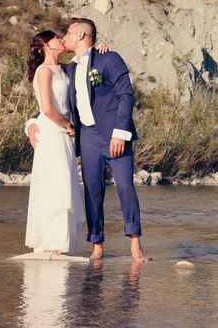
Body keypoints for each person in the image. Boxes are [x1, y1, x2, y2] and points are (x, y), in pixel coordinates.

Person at [27, 18, 149, 263]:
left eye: (69, 33)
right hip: (87, 138)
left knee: (125, 186)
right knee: (93, 191)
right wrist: (30, 123)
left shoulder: (109, 58)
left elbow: (126, 95)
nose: (64, 38)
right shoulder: (68, 70)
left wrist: (119, 132)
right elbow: (49, 103)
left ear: (81, 35)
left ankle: (136, 247)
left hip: (115, 134)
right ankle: (97, 246)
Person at [24, 30, 85, 255]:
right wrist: (68, 126)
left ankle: (62, 241)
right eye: (56, 38)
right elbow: (47, 109)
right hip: (53, 134)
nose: (61, 39)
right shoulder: (43, 71)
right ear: (45, 45)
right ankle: (51, 241)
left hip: (64, 138)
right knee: (54, 186)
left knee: (66, 185)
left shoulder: (65, 69)